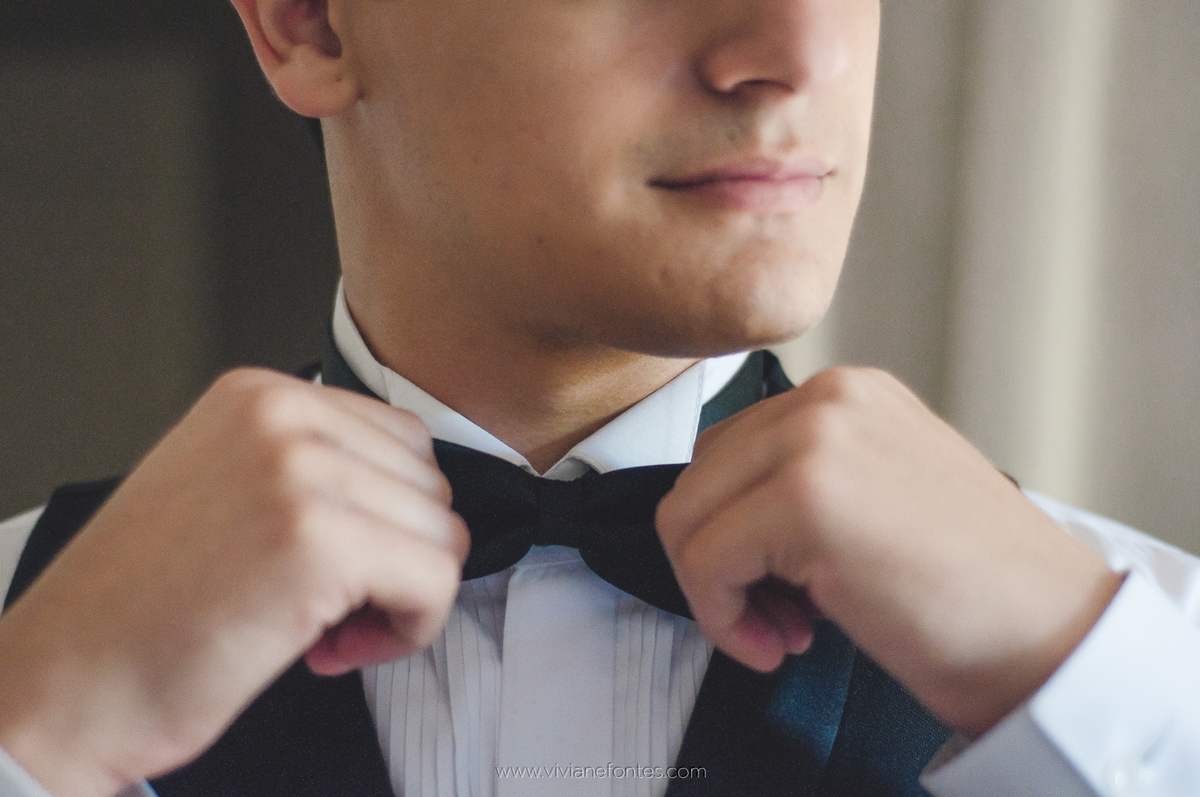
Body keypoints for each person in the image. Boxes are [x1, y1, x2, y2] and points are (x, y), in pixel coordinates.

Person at [0, 1, 1197, 795]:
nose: (802, 52)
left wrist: (1099, 699)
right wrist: (30, 735)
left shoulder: (1157, 665)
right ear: (308, 19)